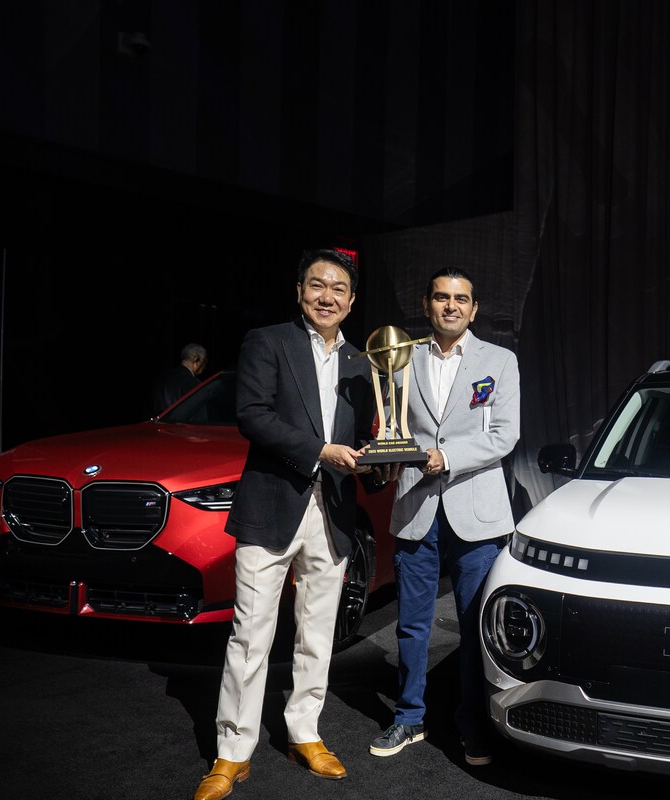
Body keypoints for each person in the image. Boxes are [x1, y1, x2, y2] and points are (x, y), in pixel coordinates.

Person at [193, 249, 376, 800]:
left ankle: (304, 731)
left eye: (339, 289)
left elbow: (371, 432)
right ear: (299, 291)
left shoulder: (364, 363)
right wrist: (322, 450)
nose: (328, 296)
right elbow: (253, 414)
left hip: (334, 511)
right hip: (272, 505)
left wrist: (383, 459)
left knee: (318, 632)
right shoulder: (268, 341)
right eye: (317, 285)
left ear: (350, 301)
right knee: (250, 633)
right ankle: (232, 750)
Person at [368, 267, 520, 767]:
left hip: (476, 512)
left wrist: (447, 455)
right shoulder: (399, 357)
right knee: (411, 624)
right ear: (427, 305)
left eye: (461, 299)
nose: (450, 306)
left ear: (474, 309)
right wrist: (382, 451)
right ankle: (409, 718)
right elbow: (389, 423)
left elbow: (504, 434)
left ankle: (473, 725)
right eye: (441, 297)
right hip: (416, 507)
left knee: (477, 626)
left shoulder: (499, 361)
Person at [151, 342, 208, 413]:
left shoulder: (161, 377)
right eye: (205, 362)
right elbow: (199, 416)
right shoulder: (193, 383)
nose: (205, 367)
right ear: (197, 360)